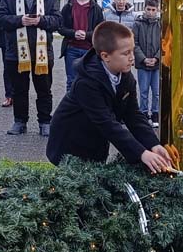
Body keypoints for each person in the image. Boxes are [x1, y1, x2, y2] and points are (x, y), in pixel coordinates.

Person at [46, 21, 175, 173]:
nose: (132, 58)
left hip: (95, 143)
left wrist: (153, 145)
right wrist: (142, 153)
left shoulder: (127, 78)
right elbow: (107, 123)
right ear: (105, 56)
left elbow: (133, 115)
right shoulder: (85, 83)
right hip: (69, 147)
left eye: (132, 51)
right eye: (126, 53)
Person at [0, 0, 62, 136]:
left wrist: (41, 21)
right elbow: (0, 19)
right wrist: (20, 20)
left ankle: (45, 122)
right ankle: (20, 121)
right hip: (15, 53)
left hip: (43, 53)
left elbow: (58, 21)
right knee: (19, 90)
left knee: (44, 90)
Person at [59, 0, 104, 92]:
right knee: (71, 82)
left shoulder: (96, 8)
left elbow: (101, 30)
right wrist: (73, 33)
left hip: (89, 50)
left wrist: (88, 35)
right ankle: (71, 109)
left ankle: (86, 109)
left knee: (89, 82)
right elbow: (61, 28)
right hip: (71, 49)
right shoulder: (68, 6)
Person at [133, 0, 161, 127]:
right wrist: (143, 59)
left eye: (153, 9)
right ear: (144, 9)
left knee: (156, 92)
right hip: (143, 64)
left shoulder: (160, 24)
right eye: (148, 9)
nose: (150, 12)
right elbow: (135, 43)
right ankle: (143, 113)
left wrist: (156, 58)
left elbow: (164, 43)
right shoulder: (138, 24)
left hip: (156, 65)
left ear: (157, 10)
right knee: (143, 91)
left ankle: (155, 112)